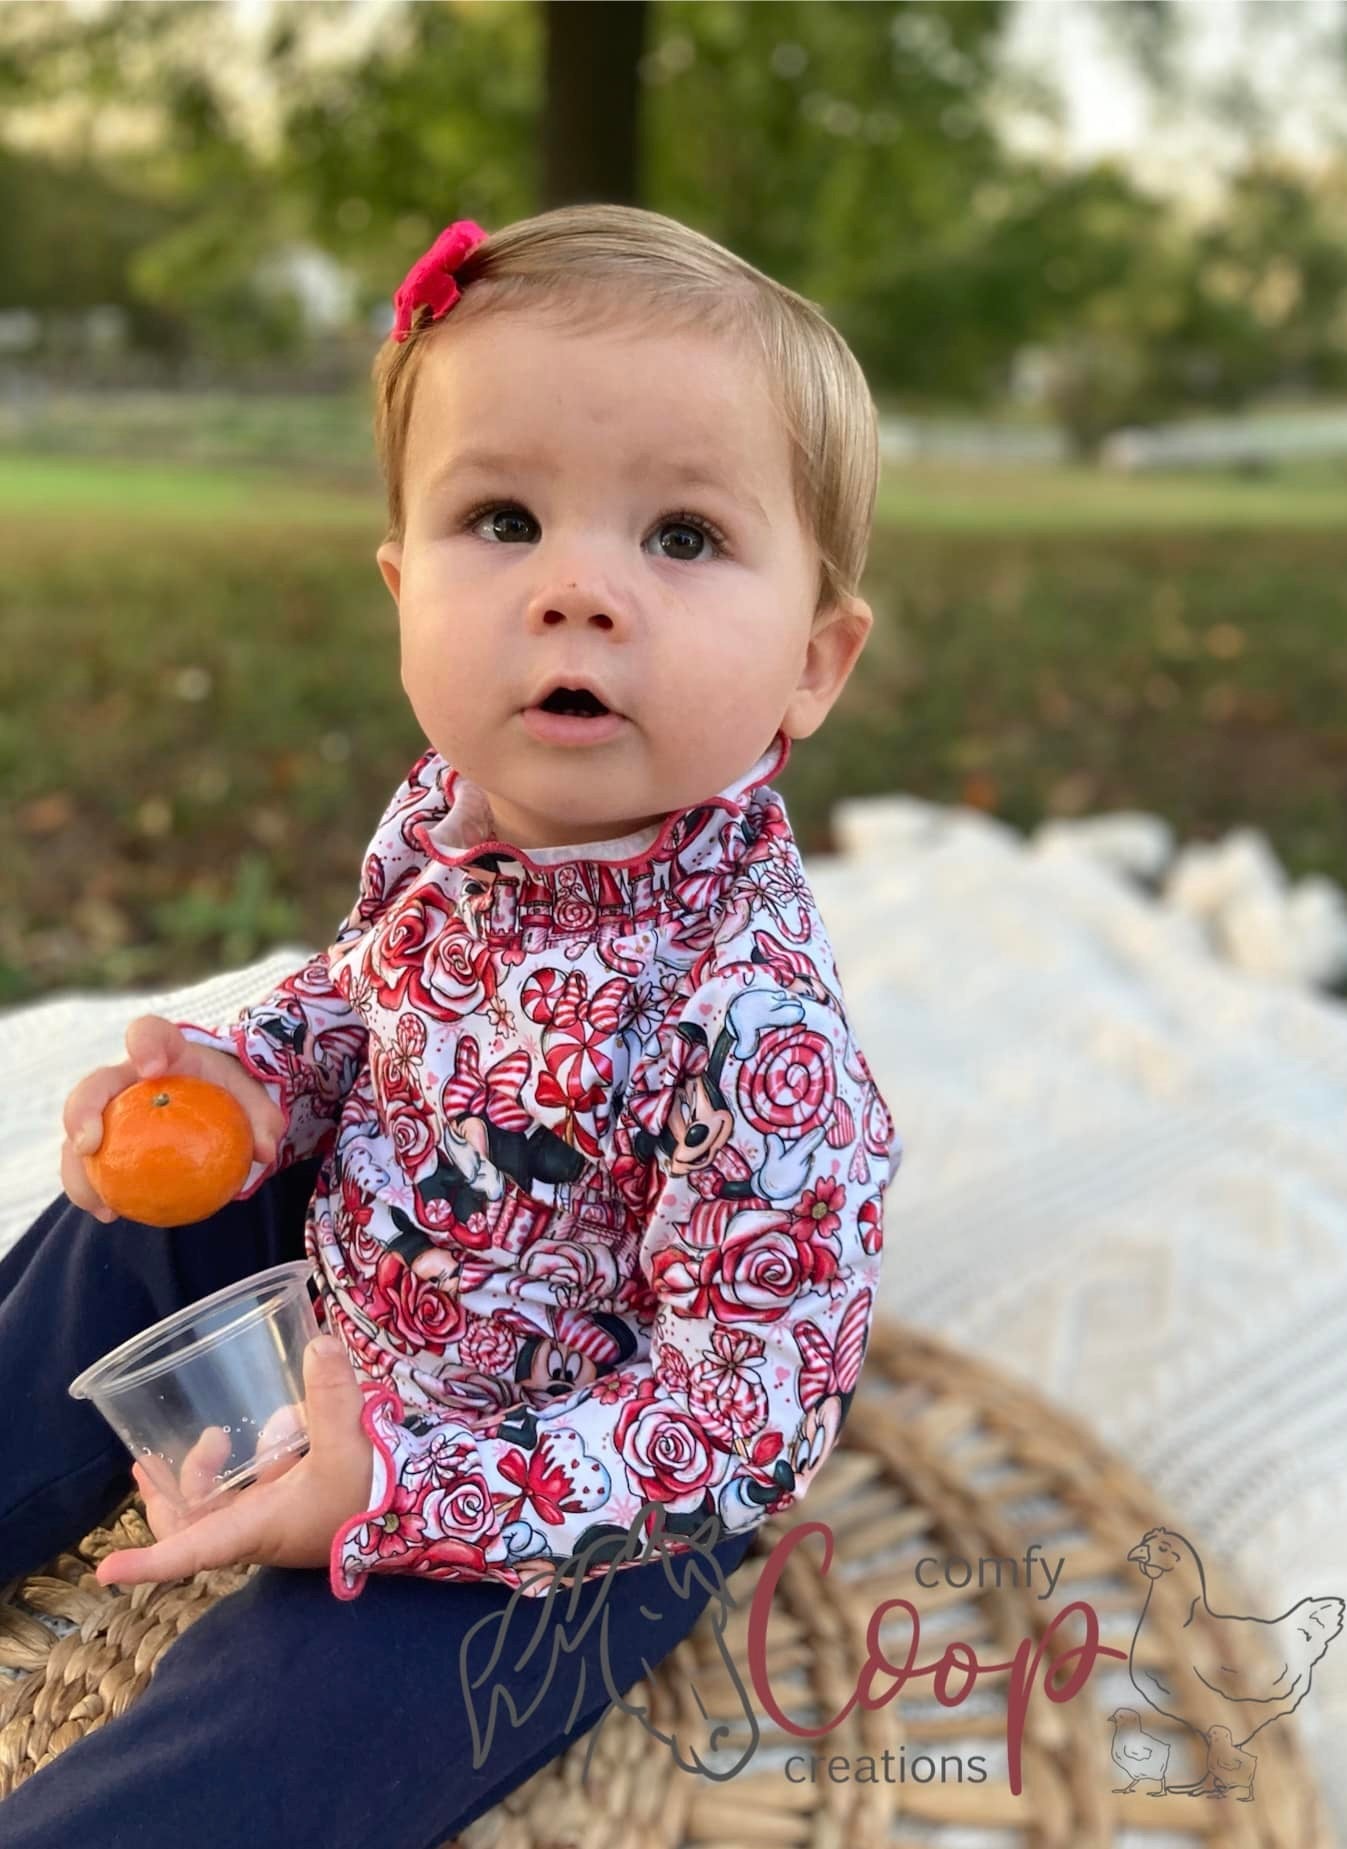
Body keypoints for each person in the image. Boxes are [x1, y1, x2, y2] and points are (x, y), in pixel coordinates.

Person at [0, 203, 903, 1845]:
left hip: (570, 1462)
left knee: (318, 1710)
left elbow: (743, 1409)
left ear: (813, 664)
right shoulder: (446, 813)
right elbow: (364, 996)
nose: (577, 590)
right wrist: (251, 1087)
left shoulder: (753, 1028)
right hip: (367, 1282)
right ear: (402, 587)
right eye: (503, 518)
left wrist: (408, 1487)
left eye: (682, 535)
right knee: (120, 1221)